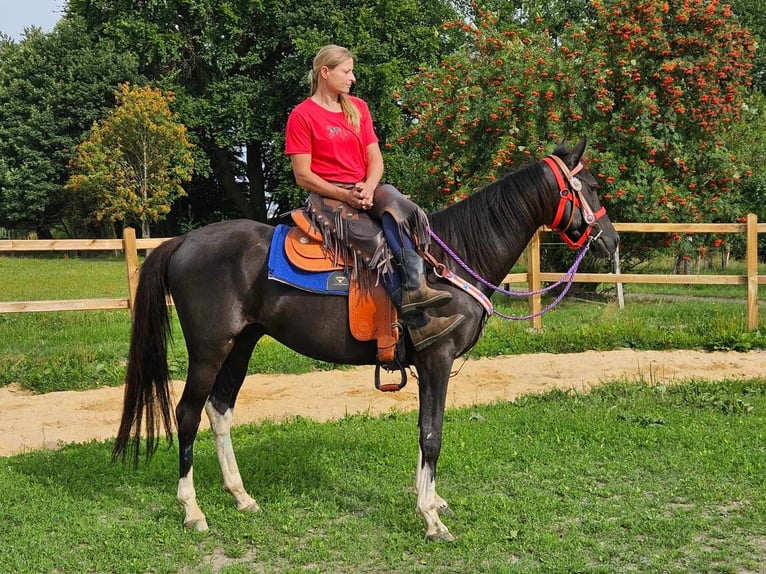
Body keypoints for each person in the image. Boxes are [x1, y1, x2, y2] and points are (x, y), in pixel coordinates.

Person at [285, 44, 464, 351]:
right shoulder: (302, 116)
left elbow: (375, 159)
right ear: (325, 73)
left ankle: (414, 290)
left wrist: (368, 187)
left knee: (402, 209)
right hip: (330, 196)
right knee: (375, 243)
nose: (352, 78)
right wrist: (346, 194)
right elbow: (303, 175)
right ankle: (420, 325)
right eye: (347, 71)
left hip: (364, 185)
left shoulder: (358, 108)